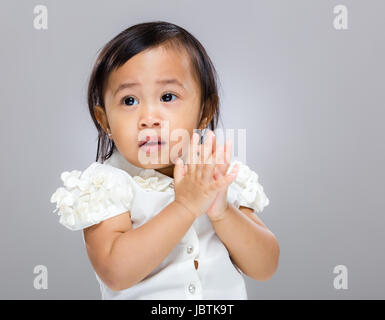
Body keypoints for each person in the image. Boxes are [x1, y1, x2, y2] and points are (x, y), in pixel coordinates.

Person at [50, 21, 279, 300]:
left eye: (167, 96)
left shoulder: (217, 174)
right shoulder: (108, 185)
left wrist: (222, 212)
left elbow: (265, 266)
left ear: (205, 111)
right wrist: (184, 206)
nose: (149, 118)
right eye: (130, 100)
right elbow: (115, 271)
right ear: (104, 120)